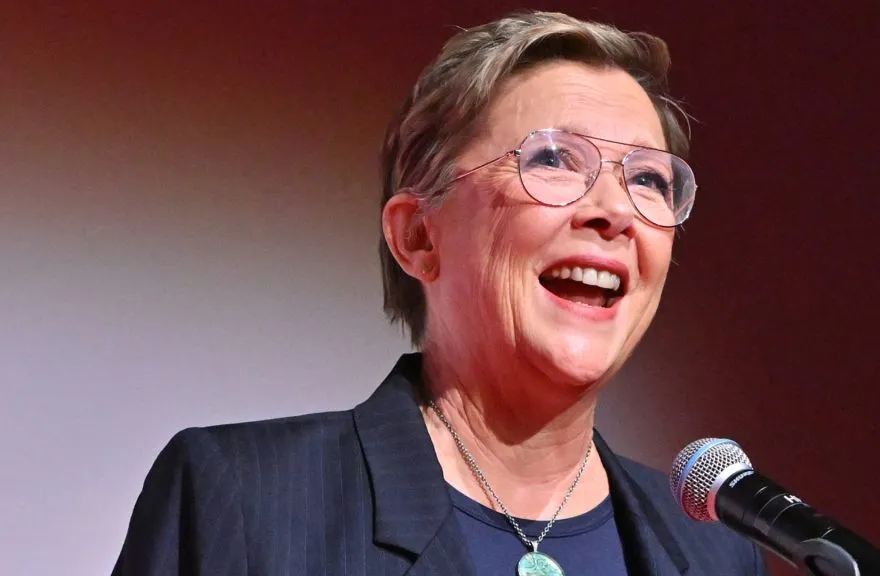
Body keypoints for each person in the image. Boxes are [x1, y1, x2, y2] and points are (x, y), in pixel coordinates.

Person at [113, 10, 766, 576]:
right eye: (553, 160)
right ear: (419, 236)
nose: (615, 212)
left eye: (649, 179)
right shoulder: (248, 500)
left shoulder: (714, 552)